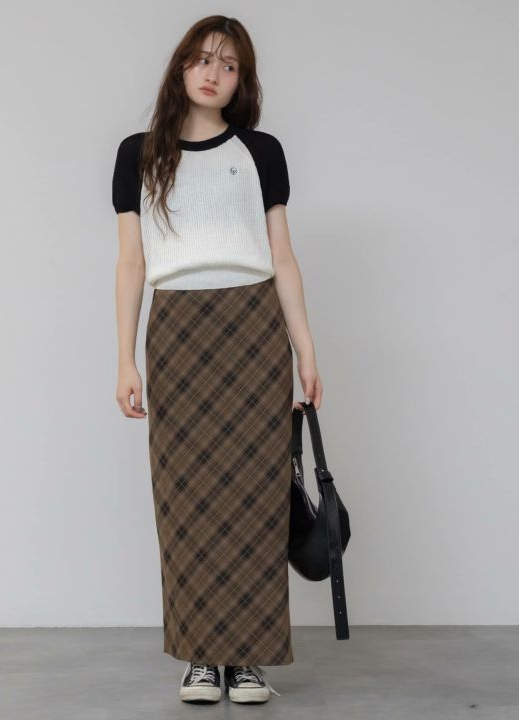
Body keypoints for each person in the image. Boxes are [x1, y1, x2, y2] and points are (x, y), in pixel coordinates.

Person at [111, 15, 322, 704]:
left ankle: (249, 659)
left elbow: (282, 257)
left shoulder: (261, 151)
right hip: (176, 328)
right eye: (203, 60)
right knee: (184, 496)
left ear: (242, 81)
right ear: (180, 67)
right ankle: (202, 657)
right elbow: (131, 263)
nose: (214, 74)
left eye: (229, 66)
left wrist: (305, 349)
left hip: (254, 327)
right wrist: (125, 359)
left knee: (258, 495)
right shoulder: (138, 154)